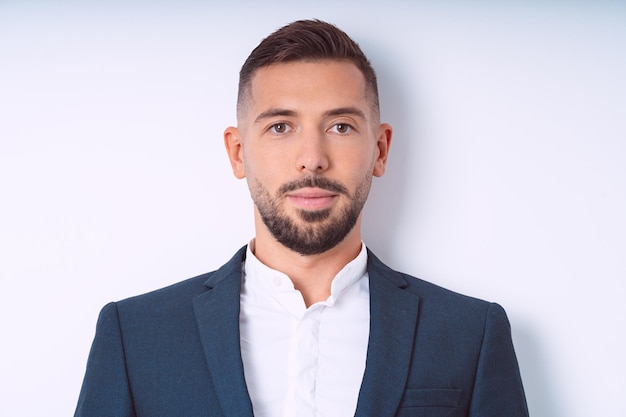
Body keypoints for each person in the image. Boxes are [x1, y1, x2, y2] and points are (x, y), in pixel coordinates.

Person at [74, 19, 529, 417]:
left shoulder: (470, 334)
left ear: (380, 149)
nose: (311, 159)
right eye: (280, 127)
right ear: (237, 153)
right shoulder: (134, 335)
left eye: (340, 127)